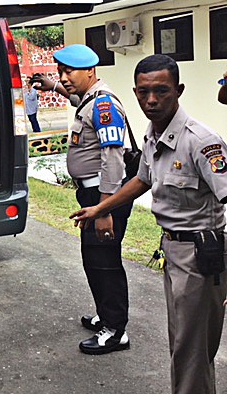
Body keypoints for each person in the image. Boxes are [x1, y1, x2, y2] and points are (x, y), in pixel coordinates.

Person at [71, 54, 227, 394]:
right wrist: (101, 208)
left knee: (191, 352)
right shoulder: (154, 133)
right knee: (184, 346)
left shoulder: (201, 141)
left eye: (161, 91)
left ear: (179, 90)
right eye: (143, 92)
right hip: (174, 250)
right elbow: (142, 178)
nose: (151, 100)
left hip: (201, 255)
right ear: (135, 92)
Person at [34, 45, 132, 355]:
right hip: (92, 193)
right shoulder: (90, 99)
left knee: (104, 260)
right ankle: (106, 314)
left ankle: (116, 331)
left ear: (90, 71)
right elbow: (76, 98)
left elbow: (113, 158)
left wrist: (103, 209)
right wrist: (53, 87)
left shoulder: (104, 105)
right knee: (93, 258)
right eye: (60, 72)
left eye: (68, 72)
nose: (64, 77)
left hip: (105, 196)